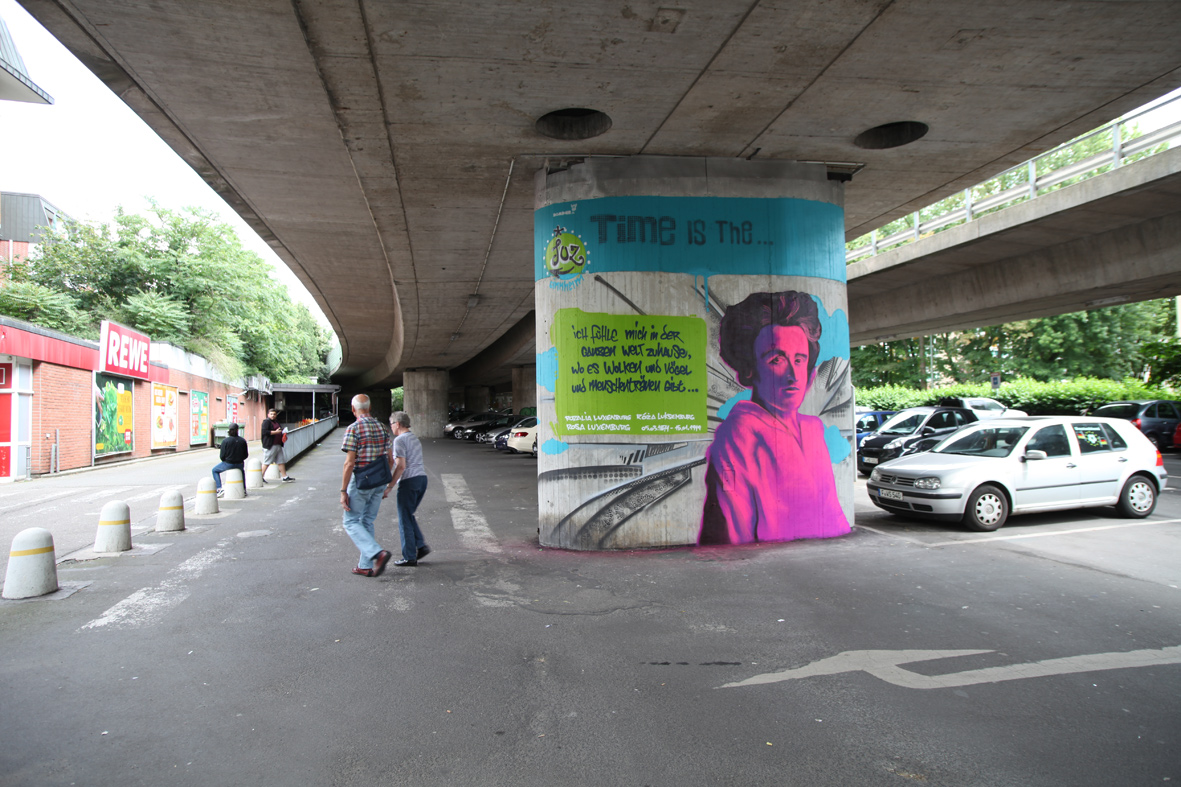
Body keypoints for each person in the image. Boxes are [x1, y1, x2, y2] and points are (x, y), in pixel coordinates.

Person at [699, 290, 849, 545]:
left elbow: (833, 515)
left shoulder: (814, 430)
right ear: (750, 369)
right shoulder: (739, 434)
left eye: (799, 359)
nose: (793, 374)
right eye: (776, 359)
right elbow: (732, 534)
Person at [339, 394, 393, 578]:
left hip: (362, 481)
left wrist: (343, 490)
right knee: (367, 521)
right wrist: (386, 484)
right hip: (379, 480)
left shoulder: (353, 429)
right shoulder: (383, 427)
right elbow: (390, 459)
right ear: (370, 408)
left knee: (350, 521)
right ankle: (365, 565)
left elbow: (349, 463)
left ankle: (378, 554)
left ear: (353, 409)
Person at [389, 411, 430, 566]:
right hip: (421, 479)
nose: (391, 427)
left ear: (398, 424)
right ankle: (420, 545)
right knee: (408, 514)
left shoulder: (399, 440)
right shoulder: (414, 438)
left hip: (409, 481)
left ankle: (409, 557)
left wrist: (390, 486)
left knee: (404, 519)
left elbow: (401, 466)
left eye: (392, 423)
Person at [211, 423, 248, 497]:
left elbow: (222, 456)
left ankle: (219, 488)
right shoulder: (243, 441)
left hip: (228, 463)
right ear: (238, 430)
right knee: (242, 472)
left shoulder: (225, 441)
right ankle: (243, 489)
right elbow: (246, 455)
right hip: (240, 463)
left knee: (214, 470)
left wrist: (226, 460)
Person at [261, 408, 294, 482]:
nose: (273, 415)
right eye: (271, 414)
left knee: (281, 461)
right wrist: (275, 432)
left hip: (278, 444)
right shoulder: (266, 422)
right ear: (268, 415)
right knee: (267, 462)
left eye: (274, 414)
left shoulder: (276, 422)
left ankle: (284, 476)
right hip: (270, 445)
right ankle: (260, 477)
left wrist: (283, 434)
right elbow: (265, 432)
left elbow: (279, 431)